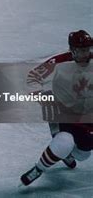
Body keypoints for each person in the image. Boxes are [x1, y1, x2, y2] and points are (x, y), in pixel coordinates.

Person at [20, 30, 92, 186]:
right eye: (81, 50)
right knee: (64, 142)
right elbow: (32, 78)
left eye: (88, 49)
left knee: (83, 155)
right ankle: (39, 168)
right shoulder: (60, 61)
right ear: (72, 50)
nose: (86, 53)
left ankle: (67, 152)